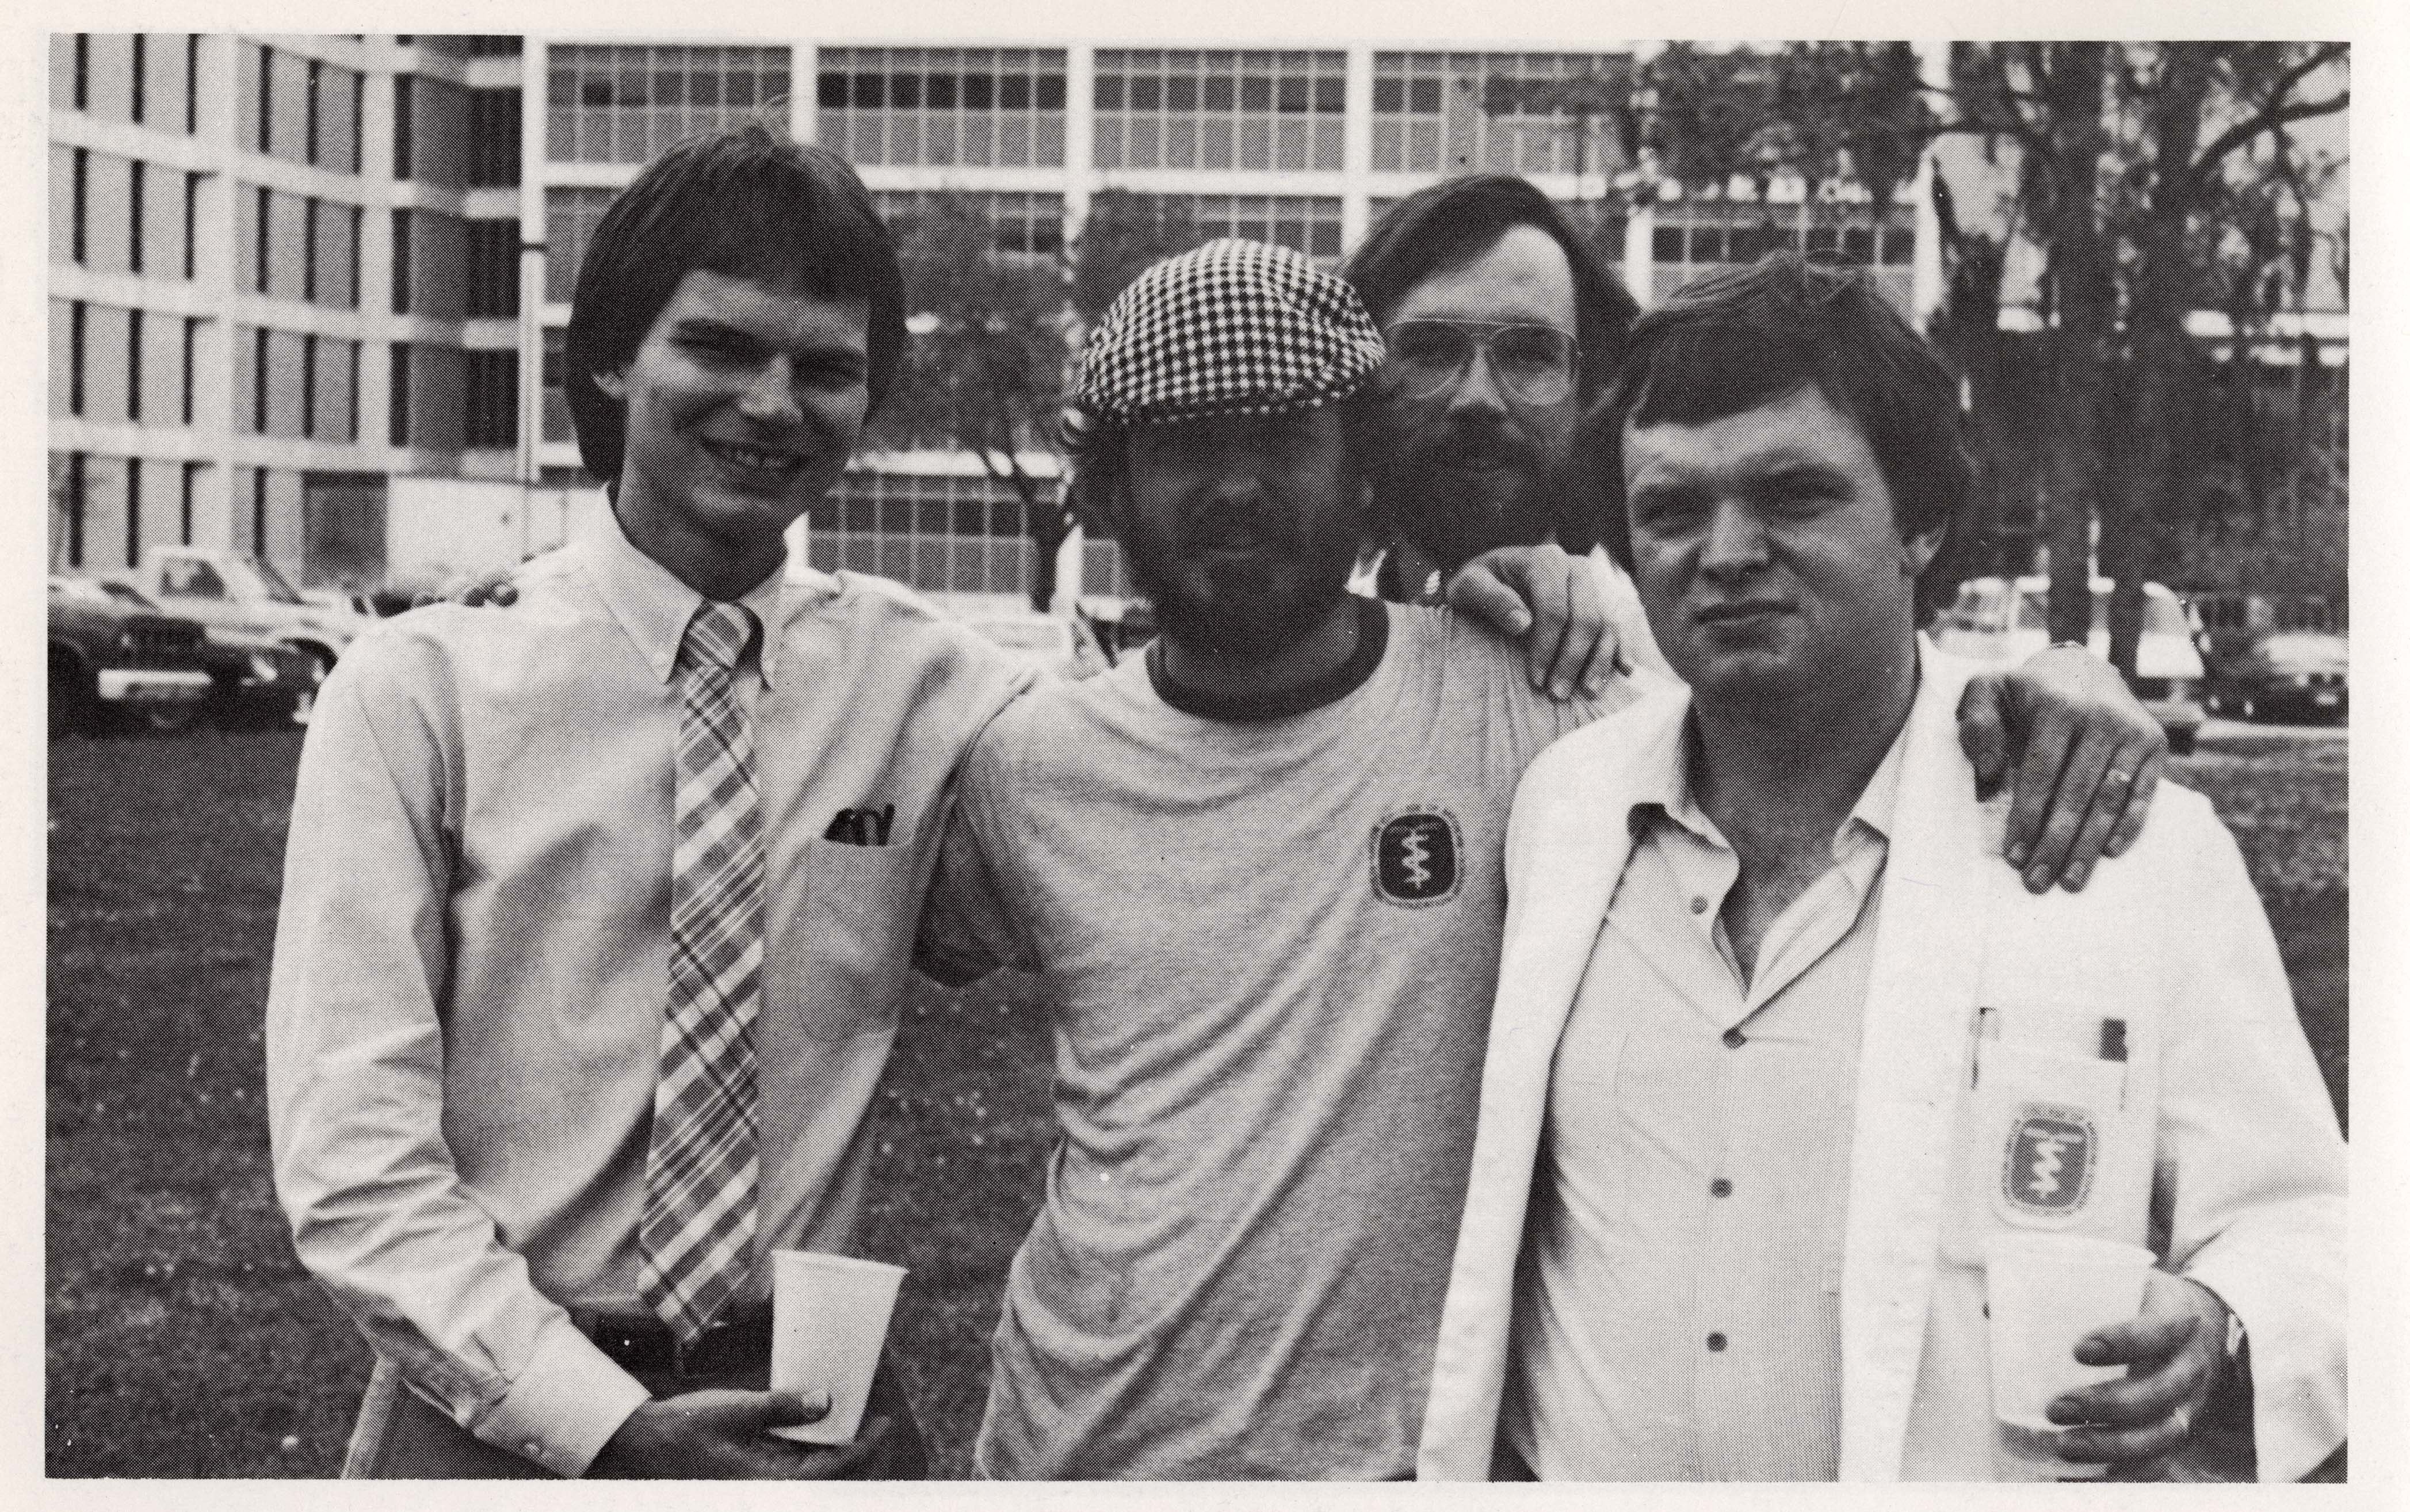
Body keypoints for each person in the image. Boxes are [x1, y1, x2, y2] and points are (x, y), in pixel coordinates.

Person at [916, 240, 2174, 1480]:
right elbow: (860, 953)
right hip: (1065, 1449)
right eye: (1184, 447)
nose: (1236, 487)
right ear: (1107, 490)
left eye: (1283, 440)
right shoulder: (1029, 766)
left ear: (1364, 470)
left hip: (1399, 1466)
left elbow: (1787, 715)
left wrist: (2037, 692)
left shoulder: (1528, 702)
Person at [1415, 255, 2346, 1483]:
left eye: (1793, 495)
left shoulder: (2128, 850)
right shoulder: (1562, 810)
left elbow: (2309, 1222)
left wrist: (2220, 1322)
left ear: (1920, 521)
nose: (1726, 552)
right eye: (1672, 510)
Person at [263, 125, 1011, 1479]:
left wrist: (1445, 587)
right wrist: (596, 1423)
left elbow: (1175, 768)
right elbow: (352, 1153)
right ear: (612, 356)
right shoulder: (422, 689)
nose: (772, 404)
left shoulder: (932, 690)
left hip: (809, 1416)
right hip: (496, 1403)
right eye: (718, 347)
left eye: (825, 369)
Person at [1343, 175, 2165, 891]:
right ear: (1359, 381)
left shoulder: (1670, 645)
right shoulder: (1307, 660)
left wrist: (2061, 685)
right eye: (1427, 352)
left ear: (1592, 385)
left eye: (1528, 355)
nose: (1477, 398)